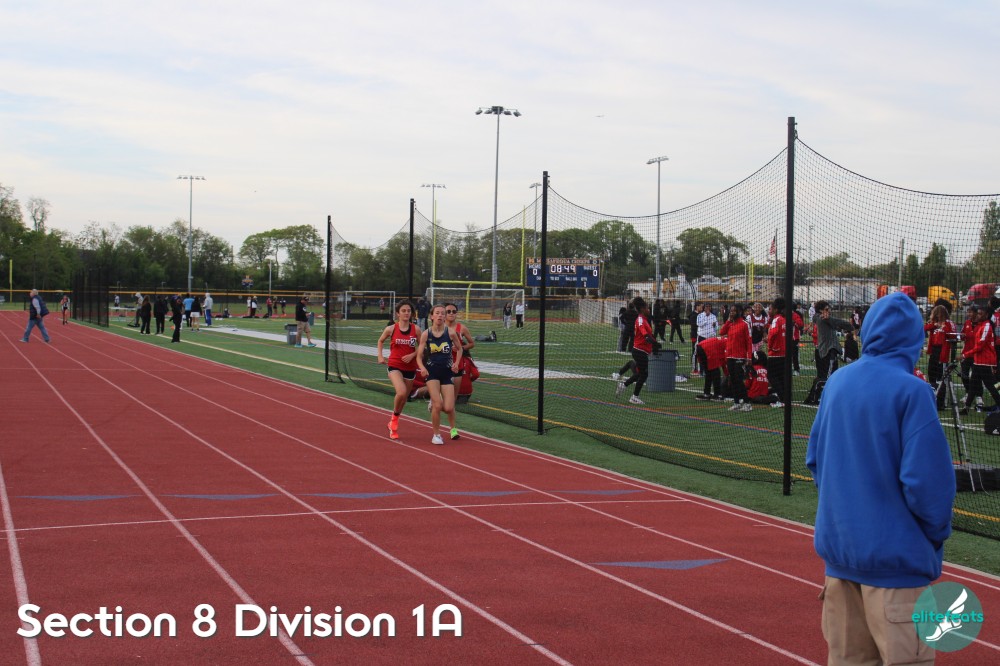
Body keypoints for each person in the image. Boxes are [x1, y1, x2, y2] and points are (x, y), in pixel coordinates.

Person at [806, 292, 955, 666]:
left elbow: (815, 461)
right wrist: (934, 535)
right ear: (914, 338)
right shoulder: (912, 390)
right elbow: (927, 484)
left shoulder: (838, 382)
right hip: (896, 566)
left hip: (840, 560)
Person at [416, 304, 463, 445]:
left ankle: (452, 428)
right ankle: (436, 435)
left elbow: (460, 349)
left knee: (448, 407)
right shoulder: (426, 334)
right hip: (432, 372)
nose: (440, 315)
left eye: (443, 313)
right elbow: (419, 356)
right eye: (437, 313)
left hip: (447, 372)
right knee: (438, 405)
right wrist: (422, 368)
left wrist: (456, 363)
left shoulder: (451, 333)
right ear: (432, 316)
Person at [376, 300, 421, 440]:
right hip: (395, 364)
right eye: (403, 311)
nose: (406, 313)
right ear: (398, 314)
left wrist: (413, 355)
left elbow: (422, 346)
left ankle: (394, 418)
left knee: (404, 398)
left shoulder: (416, 329)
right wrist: (380, 356)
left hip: (410, 367)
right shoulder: (391, 329)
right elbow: (380, 341)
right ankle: (394, 421)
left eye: (409, 311)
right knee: (401, 392)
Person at [615, 297, 656, 405]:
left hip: (642, 351)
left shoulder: (645, 319)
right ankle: (634, 396)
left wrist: (654, 343)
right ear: (642, 309)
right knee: (644, 374)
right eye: (647, 308)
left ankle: (624, 386)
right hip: (639, 351)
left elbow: (649, 334)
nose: (649, 310)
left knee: (640, 373)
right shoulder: (640, 319)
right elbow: (642, 329)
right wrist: (647, 337)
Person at [960, 305, 1000, 414]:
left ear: (986, 315)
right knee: (974, 385)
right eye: (977, 313)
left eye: (980, 314)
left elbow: (979, 346)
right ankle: (966, 408)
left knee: (991, 385)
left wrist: (964, 355)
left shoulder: (986, 326)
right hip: (978, 361)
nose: (977, 315)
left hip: (985, 362)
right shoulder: (980, 325)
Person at [720, 305, 753, 411]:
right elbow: (721, 332)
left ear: (739, 312)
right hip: (730, 356)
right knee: (733, 380)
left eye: (734, 311)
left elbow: (749, 341)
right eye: (731, 311)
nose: (732, 312)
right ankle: (736, 402)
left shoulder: (745, 324)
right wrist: (728, 321)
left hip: (740, 357)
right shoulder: (730, 324)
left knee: (739, 380)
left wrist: (749, 357)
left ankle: (747, 403)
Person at [693, 334, 726, 401]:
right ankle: (717, 395)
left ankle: (706, 394)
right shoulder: (729, 343)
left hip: (700, 347)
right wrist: (727, 374)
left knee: (709, 373)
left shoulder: (724, 340)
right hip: (708, 350)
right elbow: (724, 360)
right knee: (716, 373)